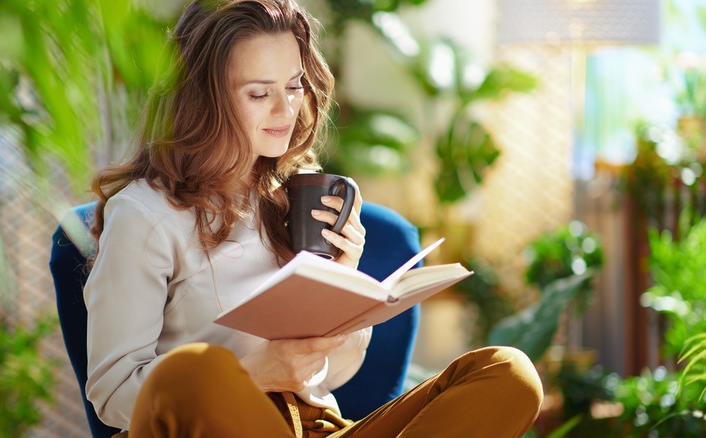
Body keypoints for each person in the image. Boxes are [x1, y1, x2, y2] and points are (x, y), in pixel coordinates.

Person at [83, 0, 544, 436]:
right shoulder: (145, 215)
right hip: (220, 430)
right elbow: (111, 392)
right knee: (198, 370)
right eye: (260, 93)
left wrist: (342, 280)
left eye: (293, 86)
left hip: (319, 428)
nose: (286, 110)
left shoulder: (295, 201)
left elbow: (333, 376)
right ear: (203, 98)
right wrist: (251, 374)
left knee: (507, 372)